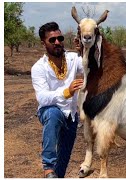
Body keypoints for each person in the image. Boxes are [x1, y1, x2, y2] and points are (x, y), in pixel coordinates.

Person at [31, 22, 83, 178]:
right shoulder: (39, 67)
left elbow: (91, 67)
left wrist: (87, 50)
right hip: (49, 111)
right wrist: (67, 92)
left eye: (60, 38)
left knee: (63, 160)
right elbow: (42, 97)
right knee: (54, 114)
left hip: (71, 115)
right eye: (52, 40)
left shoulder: (73, 58)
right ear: (43, 43)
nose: (57, 42)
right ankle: (47, 165)